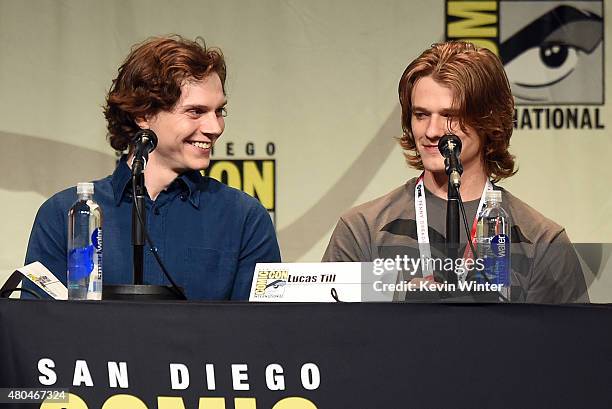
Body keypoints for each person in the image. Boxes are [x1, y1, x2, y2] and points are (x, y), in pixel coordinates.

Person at [322, 41, 588, 303]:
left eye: (450, 115)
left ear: (489, 121)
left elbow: (567, 343)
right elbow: (329, 337)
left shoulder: (541, 240)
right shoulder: (362, 229)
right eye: (421, 115)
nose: (432, 131)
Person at [25, 35, 281, 300]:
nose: (214, 128)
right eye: (195, 112)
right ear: (143, 115)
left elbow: (260, 333)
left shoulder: (244, 219)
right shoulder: (65, 214)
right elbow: (38, 329)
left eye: (219, 112)